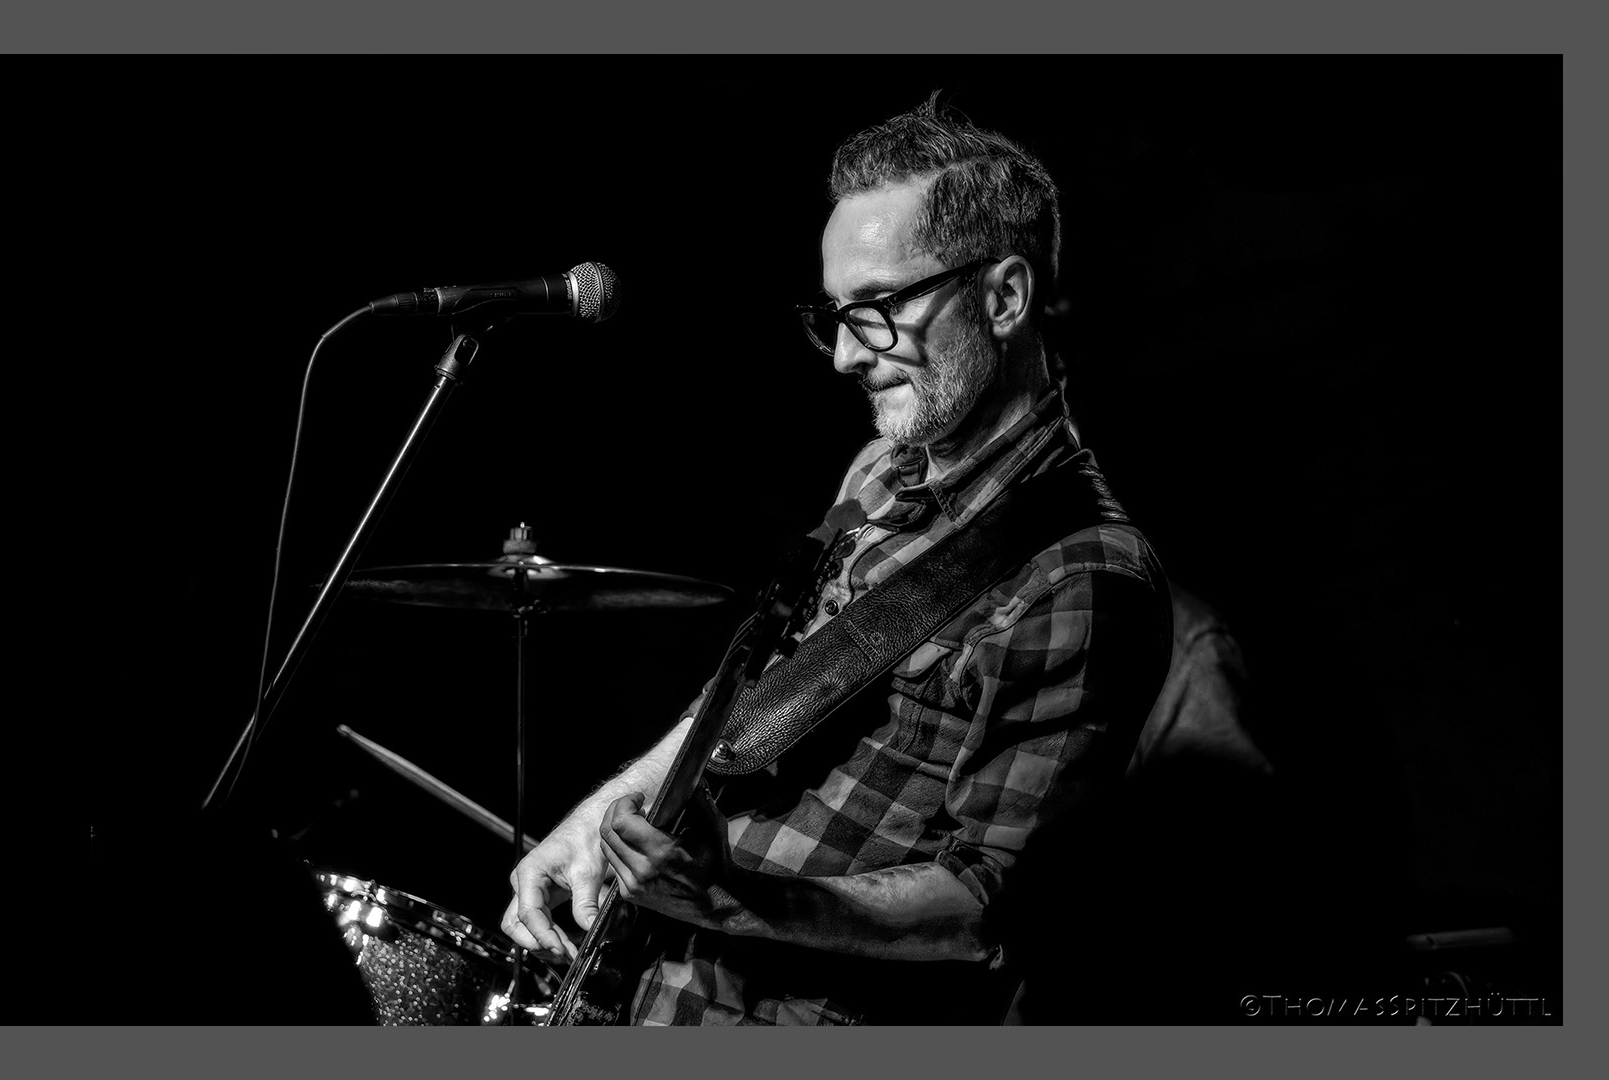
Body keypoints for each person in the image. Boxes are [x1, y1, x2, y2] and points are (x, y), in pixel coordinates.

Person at [502, 95, 1174, 1025]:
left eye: (881, 308)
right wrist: (605, 810)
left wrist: (729, 901)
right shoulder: (879, 473)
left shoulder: (1084, 576)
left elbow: (992, 908)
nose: (846, 357)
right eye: (836, 314)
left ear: (1005, 298)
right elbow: (759, 703)